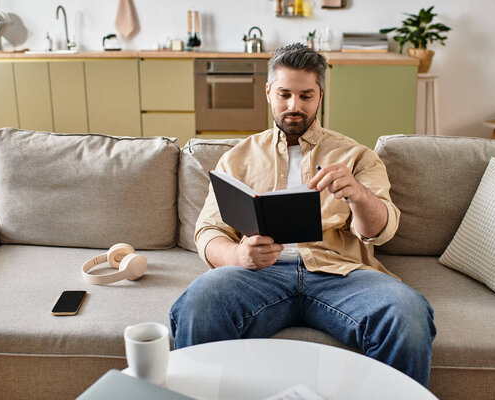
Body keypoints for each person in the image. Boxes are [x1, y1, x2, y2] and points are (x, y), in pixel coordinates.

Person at [170, 43, 436, 387]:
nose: (294, 106)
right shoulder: (236, 158)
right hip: (257, 276)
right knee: (199, 301)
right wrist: (237, 254)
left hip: (339, 274)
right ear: (268, 93)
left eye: (306, 96)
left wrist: (357, 194)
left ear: (320, 96)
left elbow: (381, 231)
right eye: (284, 94)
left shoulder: (357, 156)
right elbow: (207, 230)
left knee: (408, 312)